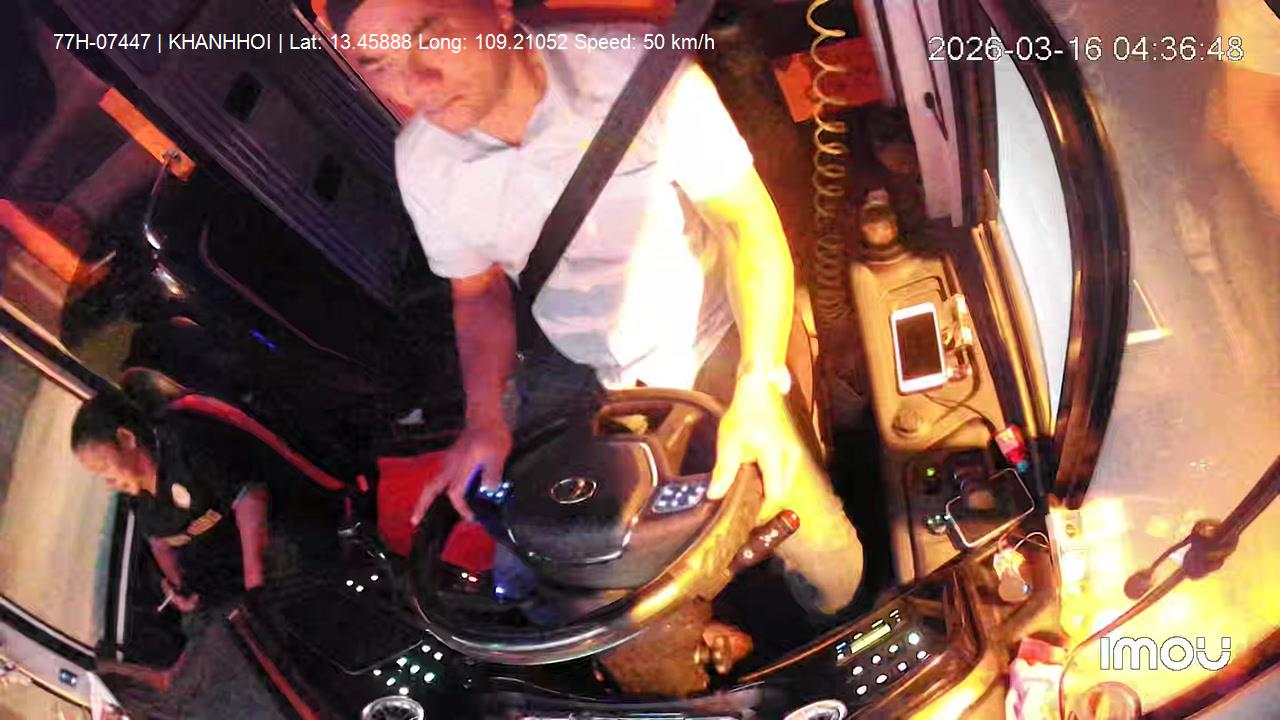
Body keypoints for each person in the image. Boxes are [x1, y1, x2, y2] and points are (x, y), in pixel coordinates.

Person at [329, 0, 863, 616]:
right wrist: (483, 416)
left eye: (431, 38)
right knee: (544, 586)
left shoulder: (640, 74)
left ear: (497, 10)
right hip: (578, 363)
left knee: (830, 565)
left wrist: (759, 384)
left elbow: (746, 227)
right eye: (380, 64)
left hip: (710, 336)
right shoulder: (422, 160)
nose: (414, 83)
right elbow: (477, 293)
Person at [70, 392, 338, 717]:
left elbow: (248, 498)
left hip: (266, 559)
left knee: (242, 652)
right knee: (203, 654)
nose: (107, 481)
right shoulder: (139, 499)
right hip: (216, 587)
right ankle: (155, 687)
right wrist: (179, 586)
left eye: (104, 467)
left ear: (126, 439)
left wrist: (255, 584)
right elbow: (160, 542)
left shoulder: (184, 447)